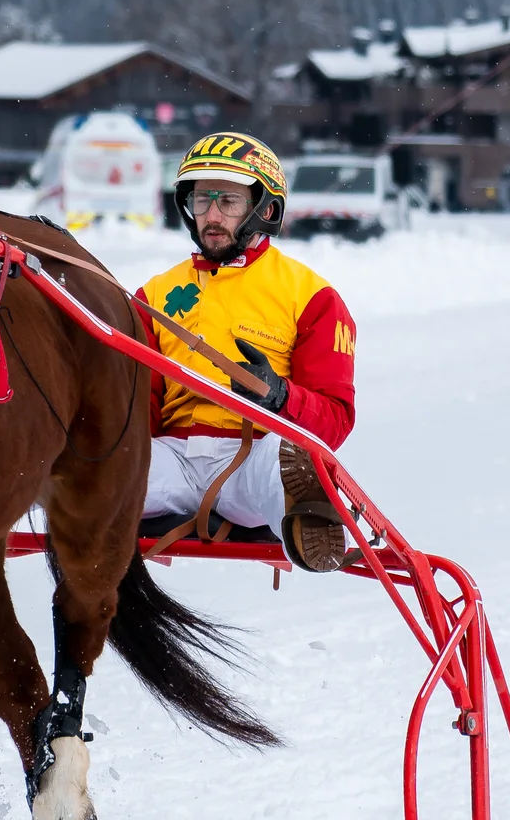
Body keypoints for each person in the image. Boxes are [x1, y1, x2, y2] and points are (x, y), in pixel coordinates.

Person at [134, 131, 357, 572]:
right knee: (97, 463)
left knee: (285, 458)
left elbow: (335, 420)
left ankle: (311, 520)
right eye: (201, 200)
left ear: (266, 209)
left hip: (250, 457)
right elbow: (140, 406)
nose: (211, 215)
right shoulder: (151, 295)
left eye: (228, 202)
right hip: (169, 459)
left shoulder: (312, 296)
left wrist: (279, 397)